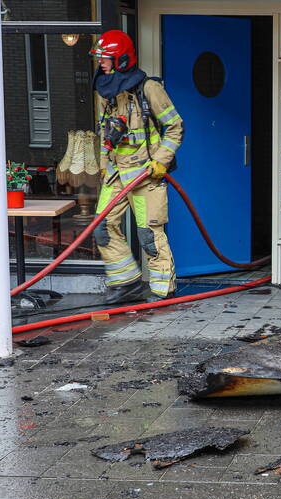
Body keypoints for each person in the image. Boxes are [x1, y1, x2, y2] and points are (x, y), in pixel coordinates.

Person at [90, 30, 183, 303]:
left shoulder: (149, 89)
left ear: (121, 59)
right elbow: (106, 134)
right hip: (116, 174)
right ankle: (126, 283)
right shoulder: (105, 91)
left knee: (148, 235)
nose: (100, 63)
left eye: (105, 58)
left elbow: (175, 126)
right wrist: (104, 165)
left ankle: (163, 291)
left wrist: (161, 161)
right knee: (102, 228)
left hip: (145, 175)